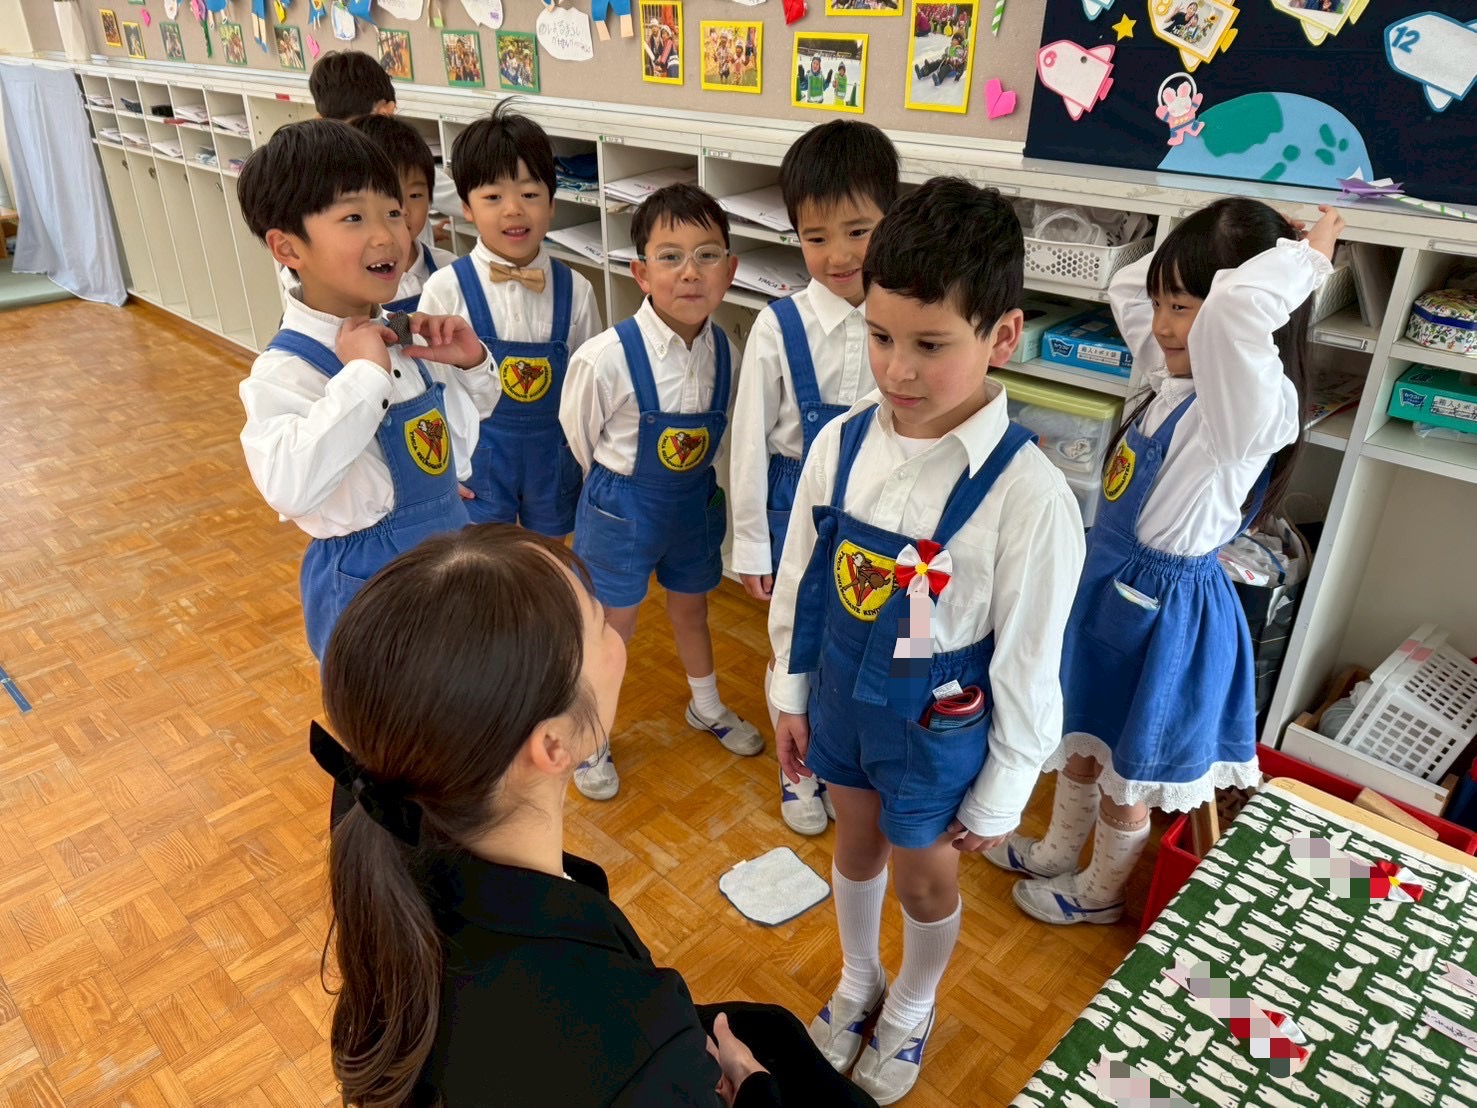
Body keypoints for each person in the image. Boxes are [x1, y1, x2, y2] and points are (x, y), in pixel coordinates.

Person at [312, 525, 880, 1107]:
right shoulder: (635, 1051)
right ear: (553, 745)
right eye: (600, 621)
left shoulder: (379, 803)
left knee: (774, 1028)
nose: (616, 626)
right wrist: (754, 1091)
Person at [769, 178, 1085, 1103]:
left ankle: (912, 1001)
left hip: (934, 721)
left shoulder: (1030, 497)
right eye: (879, 337)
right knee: (854, 843)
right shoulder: (839, 446)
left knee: (924, 880)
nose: (896, 370)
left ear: (1002, 336)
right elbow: (800, 582)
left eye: (930, 345)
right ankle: (858, 977)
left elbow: (1030, 660)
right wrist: (789, 693)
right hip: (841, 693)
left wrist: (1003, 790)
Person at [987, 200, 1343, 925]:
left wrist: (1307, 254)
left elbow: (1234, 312)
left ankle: (1099, 894)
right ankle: (1057, 851)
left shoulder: (1241, 414)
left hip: (1163, 615)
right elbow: (1127, 286)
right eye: (1162, 305)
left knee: (1127, 773)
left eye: (1180, 308)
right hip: (1109, 590)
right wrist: (1200, 241)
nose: (1161, 325)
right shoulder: (1171, 378)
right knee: (1082, 736)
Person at [236, 120, 498, 661]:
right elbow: (289, 486)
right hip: (371, 588)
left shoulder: (403, 333)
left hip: (450, 559)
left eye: (394, 212)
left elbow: (461, 446)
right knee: (389, 713)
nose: (388, 237)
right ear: (287, 247)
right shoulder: (285, 371)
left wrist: (471, 364)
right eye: (354, 217)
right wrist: (364, 377)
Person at [560, 184, 764, 800]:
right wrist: (617, 492)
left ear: (730, 270)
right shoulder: (606, 358)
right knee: (613, 627)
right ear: (641, 272)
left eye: (707, 255)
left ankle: (706, 704)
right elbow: (580, 438)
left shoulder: (728, 352)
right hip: (621, 506)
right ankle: (590, 732)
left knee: (692, 608)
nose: (690, 272)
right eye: (670, 257)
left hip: (691, 503)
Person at [728, 120, 901, 836]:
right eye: (815, 236)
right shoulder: (779, 327)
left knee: (871, 643)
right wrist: (749, 544)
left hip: (885, 514)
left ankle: (852, 759)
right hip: (793, 505)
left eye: (859, 231)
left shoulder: (905, 315)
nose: (839, 255)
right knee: (795, 644)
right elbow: (745, 442)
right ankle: (796, 769)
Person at [419, 105, 601, 538]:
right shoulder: (446, 289)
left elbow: (590, 389)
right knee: (482, 561)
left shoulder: (577, 290)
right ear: (466, 206)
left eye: (530, 194)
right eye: (493, 197)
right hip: (478, 460)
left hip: (553, 461)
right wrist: (441, 469)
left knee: (548, 557)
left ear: (552, 203)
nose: (514, 210)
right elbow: (428, 389)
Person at [344, 114, 455, 314]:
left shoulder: (450, 269)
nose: (403, 210)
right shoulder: (344, 285)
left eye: (415, 195)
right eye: (390, 196)